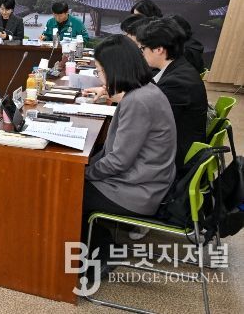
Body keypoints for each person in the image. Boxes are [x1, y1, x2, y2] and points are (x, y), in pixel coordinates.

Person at [81, 35, 176, 265]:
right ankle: (97, 244)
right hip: (146, 179)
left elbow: (118, 161)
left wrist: (84, 173)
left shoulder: (137, 101)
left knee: (65, 190)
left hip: (138, 190)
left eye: (100, 71)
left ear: (114, 69)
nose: (100, 77)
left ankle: (97, 255)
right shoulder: (145, 90)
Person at [136, 17, 208, 171]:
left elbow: (149, 123)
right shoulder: (178, 67)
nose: (141, 53)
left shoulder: (177, 83)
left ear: (159, 49)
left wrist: (122, 98)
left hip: (174, 159)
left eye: (142, 48)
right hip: (176, 144)